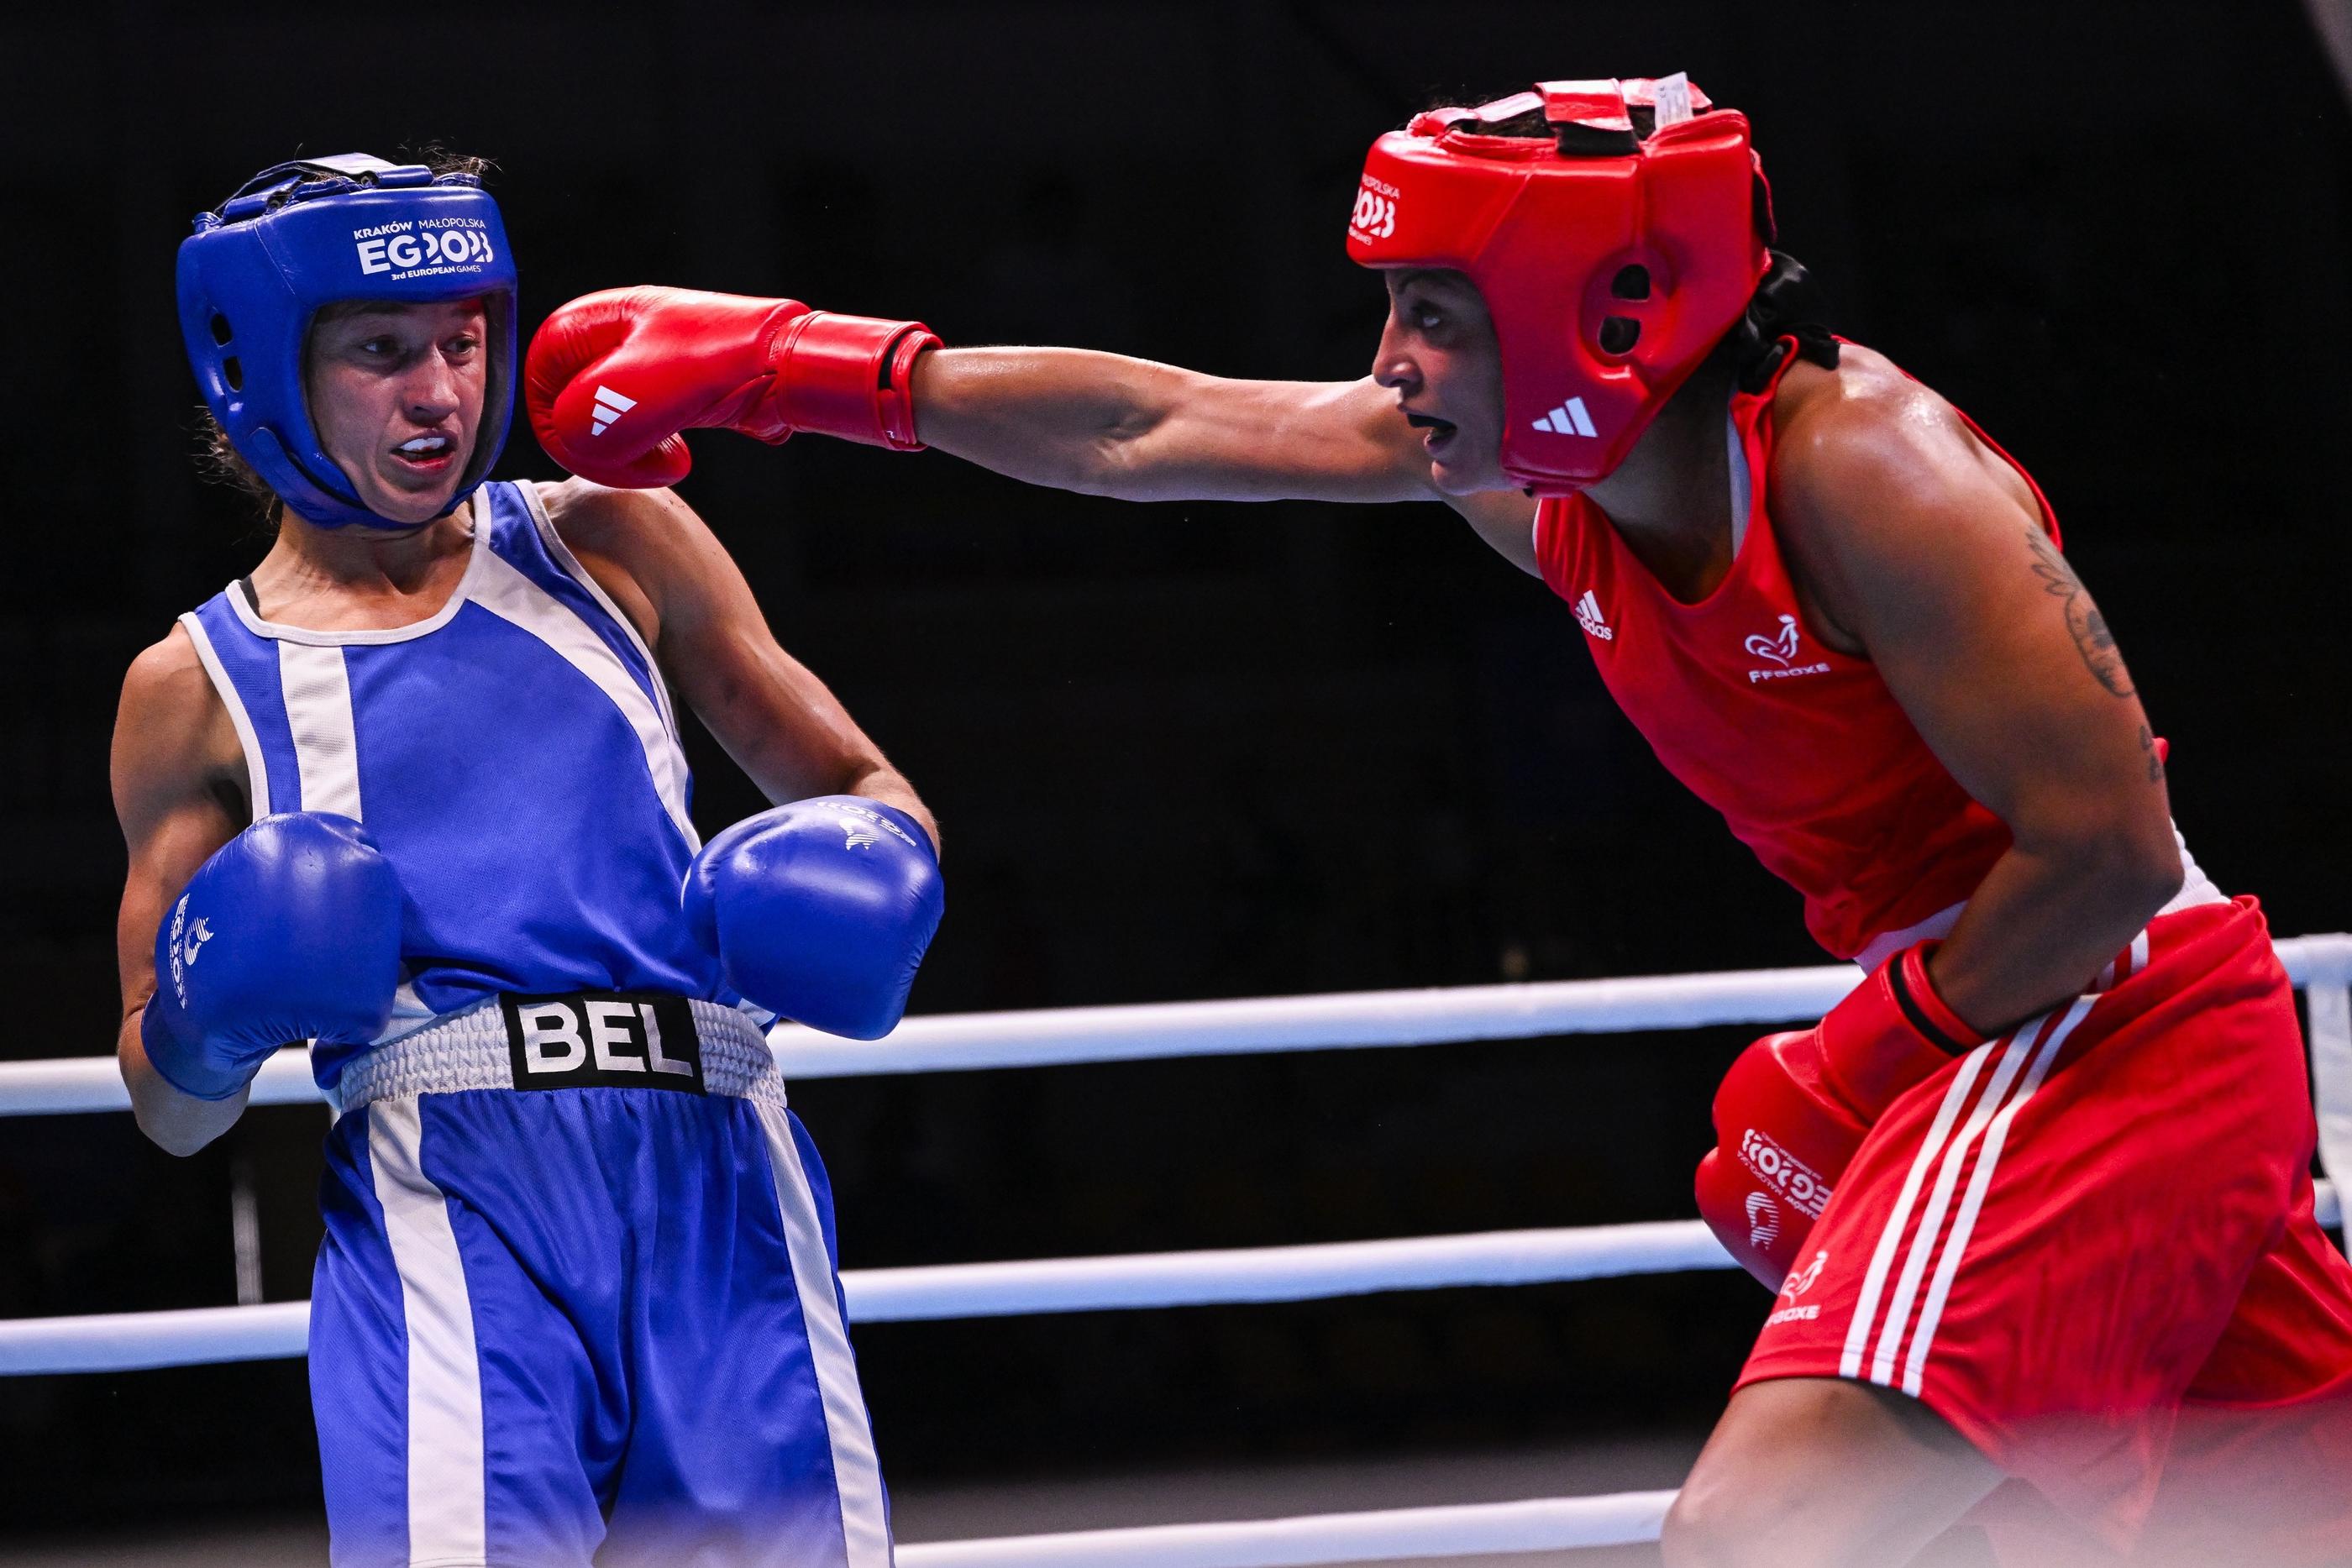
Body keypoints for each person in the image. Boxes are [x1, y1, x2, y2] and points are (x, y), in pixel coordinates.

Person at [521, 75, 2352, 1565]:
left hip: (2094, 1016)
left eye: (1429, 315)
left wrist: (1880, 1045)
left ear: (1601, 310)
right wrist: (800, 367)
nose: (1387, 360)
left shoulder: (1871, 477)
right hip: (2043, 1021)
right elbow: (1151, 430)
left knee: (1765, 1534)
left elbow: (2106, 850)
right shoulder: (1532, 478)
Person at [113, 151, 940, 1568]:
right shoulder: (197, 682)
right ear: (260, 375)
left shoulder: (613, 542)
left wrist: (872, 878)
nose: (440, 392)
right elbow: (166, 1105)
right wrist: (207, 1008)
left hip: (719, 1177)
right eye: (382, 351)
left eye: (464, 338)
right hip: (452, 1193)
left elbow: (872, 792)